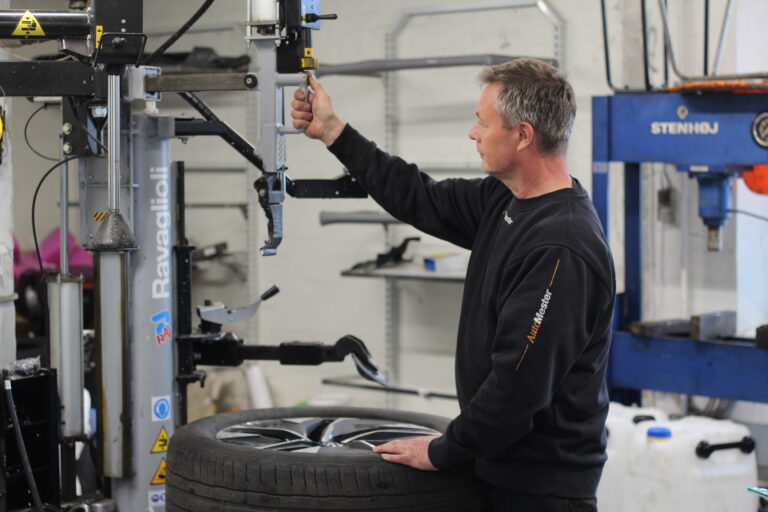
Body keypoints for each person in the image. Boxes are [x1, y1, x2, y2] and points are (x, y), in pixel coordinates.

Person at [292, 58, 615, 512]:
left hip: (539, 489)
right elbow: (419, 197)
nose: (473, 133)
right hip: (498, 467)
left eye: (483, 122)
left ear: (523, 135)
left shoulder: (561, 247)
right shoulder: (506, 198)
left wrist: (444, 450)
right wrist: (333, 132)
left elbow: (518, 387)